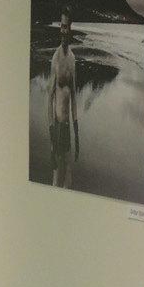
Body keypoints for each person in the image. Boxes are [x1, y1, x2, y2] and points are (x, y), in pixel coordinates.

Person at [49, 11, 81, 187]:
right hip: (58, 125)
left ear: (70, 28)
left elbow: (74, 96)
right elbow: (49, 98)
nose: (63, 30)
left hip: (67, 128)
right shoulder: (56, 58)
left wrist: (76, 132)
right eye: (61, 26)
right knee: (56, 176)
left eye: (65, 26)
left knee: (69, 174)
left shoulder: (73, 59)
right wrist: (51, 131)